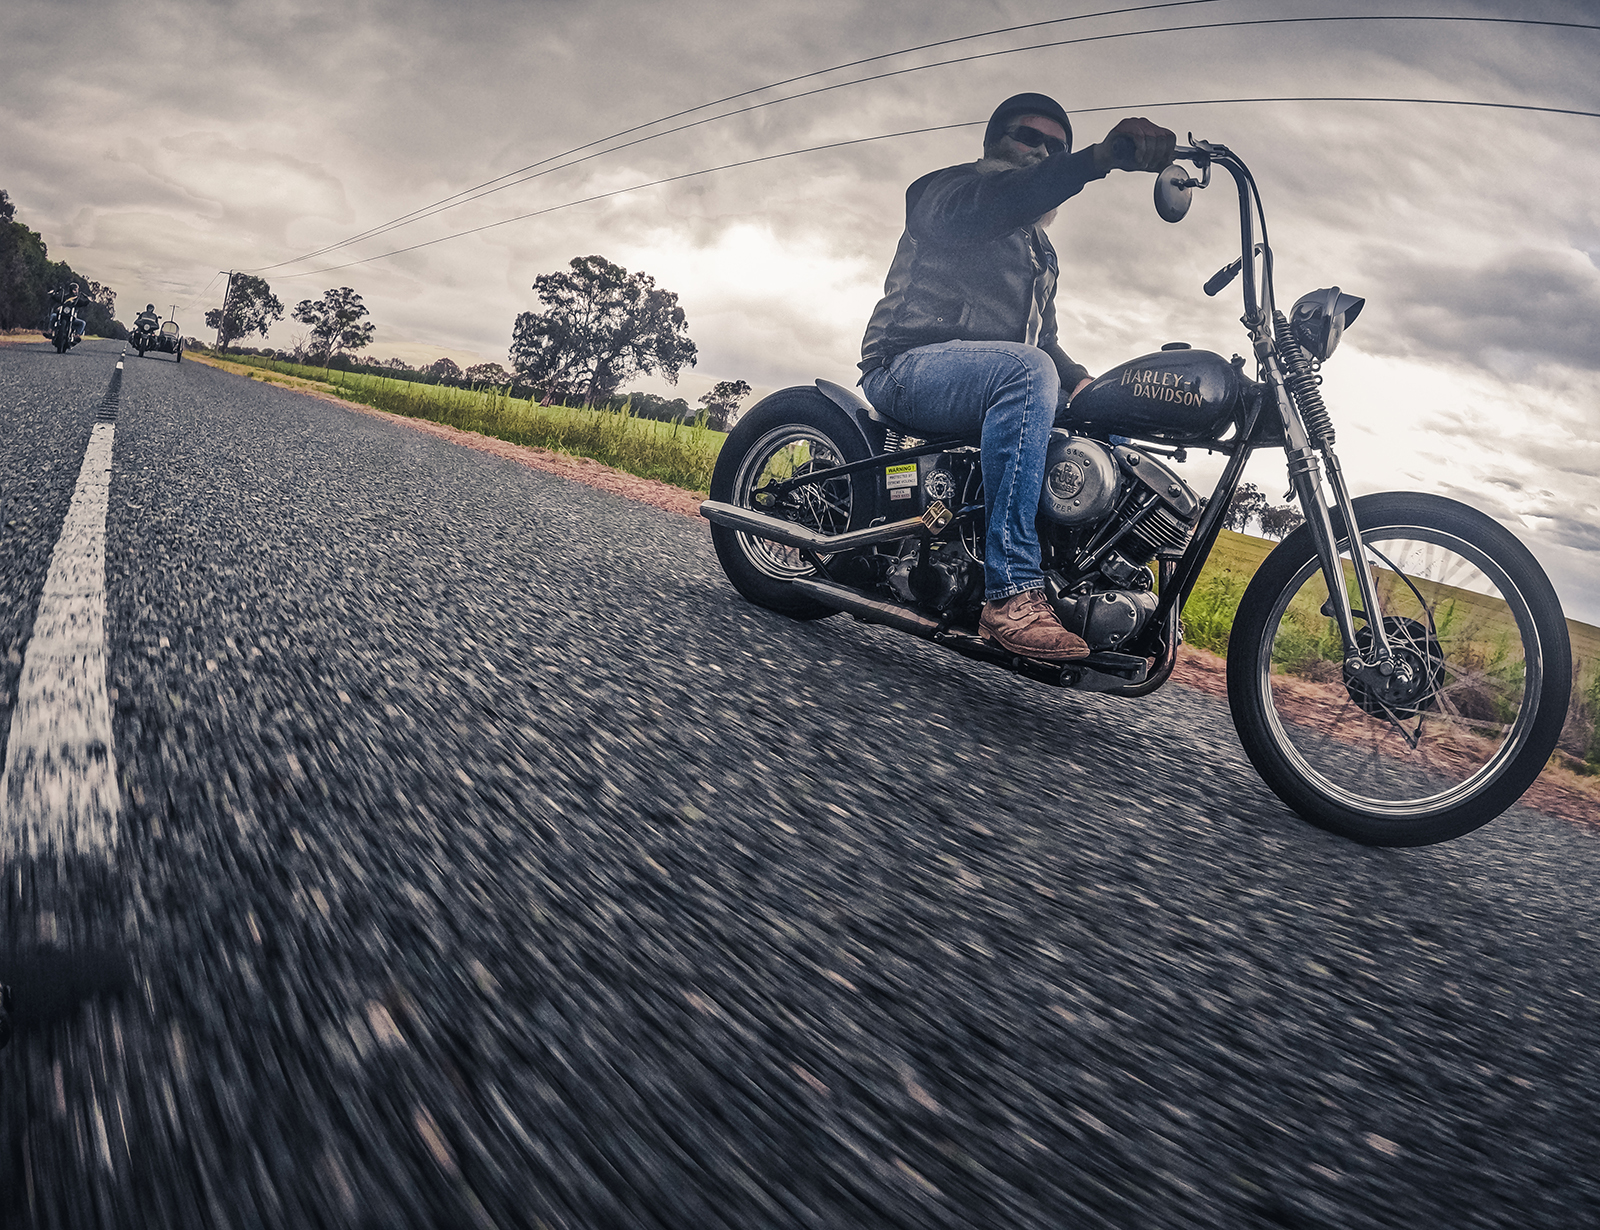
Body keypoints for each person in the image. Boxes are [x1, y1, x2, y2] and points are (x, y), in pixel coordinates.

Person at [859, 93, 1174, 661]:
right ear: (993, 142)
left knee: (1100, 419)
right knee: (1030, 373)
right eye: (1030, 139)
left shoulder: (1041, 253)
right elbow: (999, 203)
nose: (1042, 152)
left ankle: (1098, 591)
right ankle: (1011, 595)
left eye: (1056, 147)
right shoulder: (947, 193)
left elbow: (1044, 341)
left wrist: (1089, 389)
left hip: (989, 380)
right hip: (905, 365)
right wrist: (1095, 159)